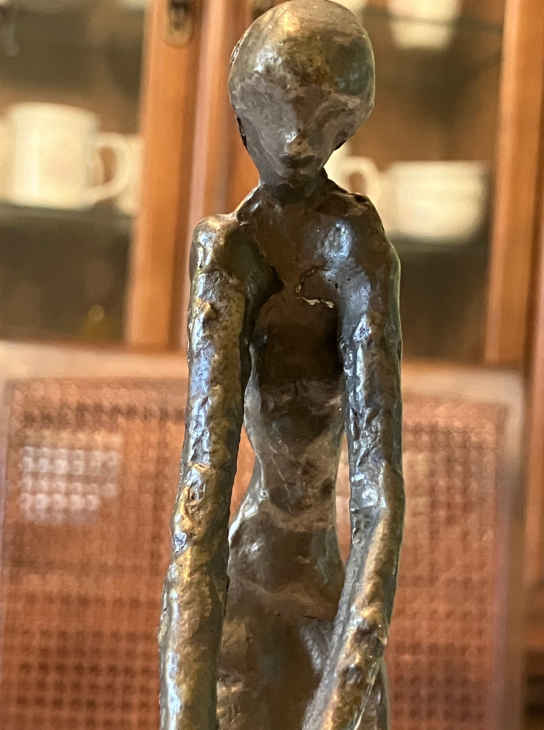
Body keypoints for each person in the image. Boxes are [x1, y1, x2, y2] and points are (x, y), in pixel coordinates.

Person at [159, 2, 404, 728]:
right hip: (245, 583)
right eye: (275, 103)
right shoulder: (230, 250)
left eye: (325, 112)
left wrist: (342, 694)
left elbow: (378, 497)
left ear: (351, 116)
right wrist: (183, 707)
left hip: (327, 593)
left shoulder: (357, 247)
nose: (297, 137)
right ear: (244, 104)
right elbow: (201, 500)